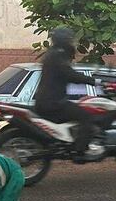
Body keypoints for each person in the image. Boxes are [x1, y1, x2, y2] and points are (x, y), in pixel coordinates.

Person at [34, 26, 95, 159]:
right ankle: (80, 151)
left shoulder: (52, 53)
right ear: (64, 40)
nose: (71, 42)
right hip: (53, 103)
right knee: (86, 116)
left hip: (48, 100)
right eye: (69, 39)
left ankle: (70, 142)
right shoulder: (58, 55)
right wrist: (92, 80)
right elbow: (70, 74)